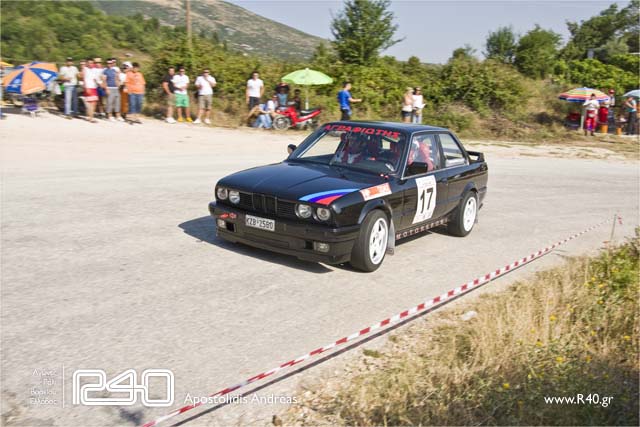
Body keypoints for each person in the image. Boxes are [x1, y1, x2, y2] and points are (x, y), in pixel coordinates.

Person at [80, 58, 100, 123]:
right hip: (88, 87)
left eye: (91, 63)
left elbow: (96, 78)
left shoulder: (94, 70)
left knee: (94, 103)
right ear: (87, 63)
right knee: (91, 103)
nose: (90, 64)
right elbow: (83, 79)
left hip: (94, 87)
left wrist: (98, 82)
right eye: (89, 63)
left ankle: (89, 116)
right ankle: (91, 118)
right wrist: (86, 87)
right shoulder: (85, 69)